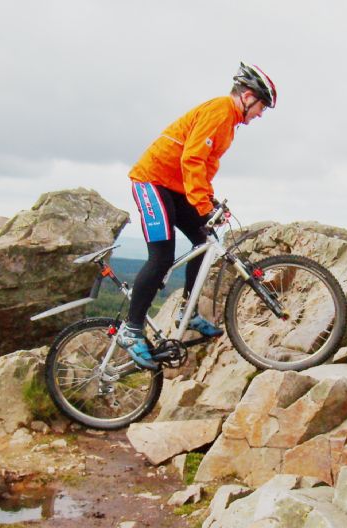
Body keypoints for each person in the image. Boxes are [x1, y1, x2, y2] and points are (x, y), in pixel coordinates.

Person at [117, 62, 277, 369]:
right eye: (261, 107)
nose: (259, 115)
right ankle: (131, 328)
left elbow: (200, 166)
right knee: (161, 256)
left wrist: (210, 201)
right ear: (246, 96)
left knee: (206, 242)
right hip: (152, 181)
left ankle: (186, 313)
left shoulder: (229, 121)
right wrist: (204, 206)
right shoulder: (220, 110)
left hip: (174, 186)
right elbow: (192, 158)